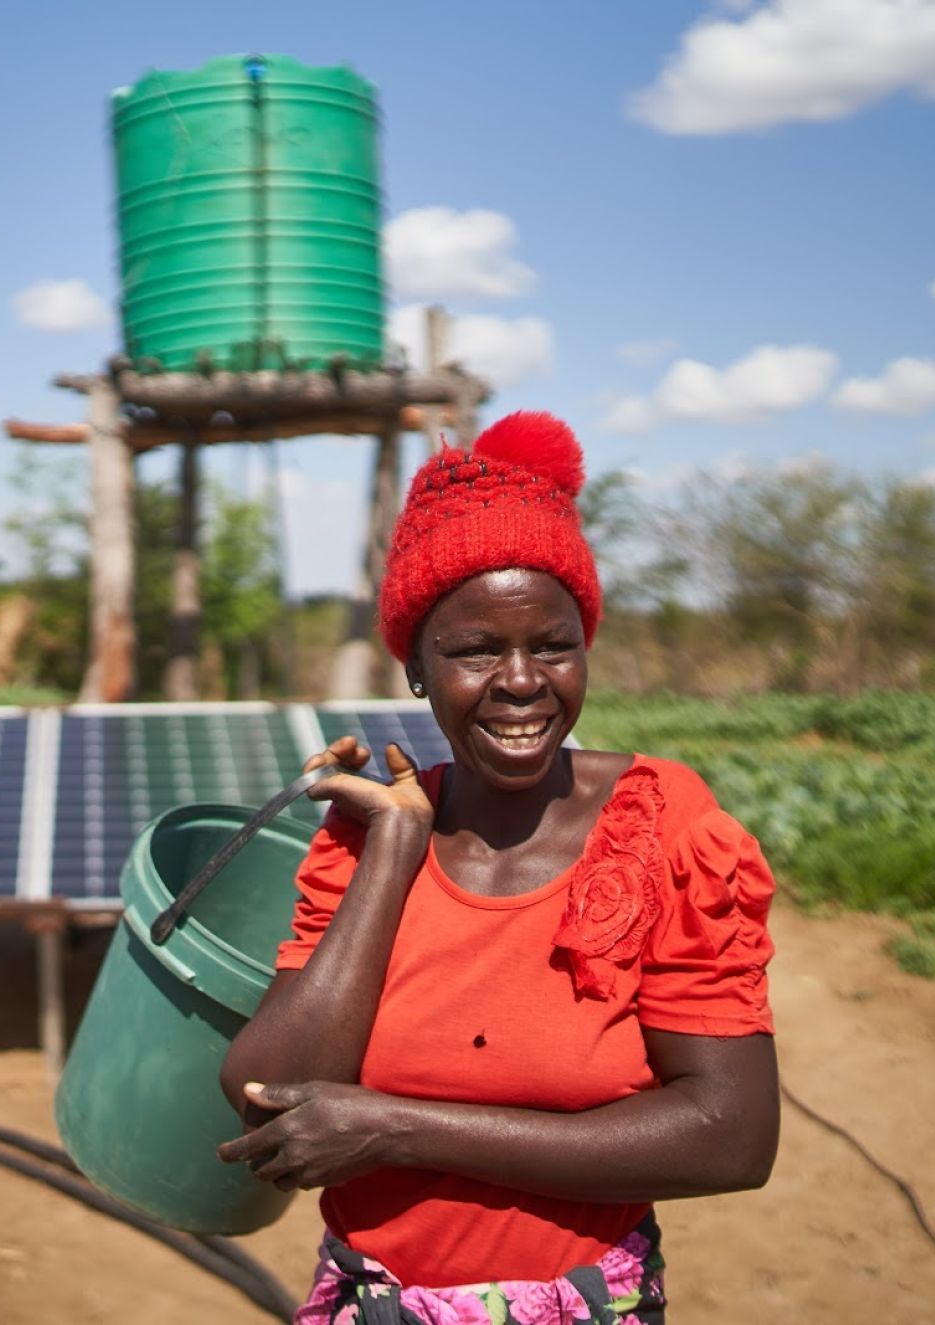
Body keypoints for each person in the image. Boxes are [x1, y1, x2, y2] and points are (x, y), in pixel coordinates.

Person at [217, 411, 779, 1325]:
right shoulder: (370, 837)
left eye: (552, 644)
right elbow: (266, 1102)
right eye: (476, 649)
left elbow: (732, 1137)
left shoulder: (662, 828)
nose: (521, 680)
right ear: (415, 667)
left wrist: (398, 1125)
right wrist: (393, 857)